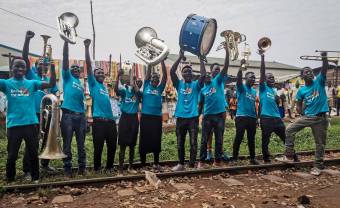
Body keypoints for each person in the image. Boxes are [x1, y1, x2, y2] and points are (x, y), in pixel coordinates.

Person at [1, 31, 56, 183]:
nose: (20, 68)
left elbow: (51, 84)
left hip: (31, 123)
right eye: (17, 66)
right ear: (12, 68)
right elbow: (24, 56)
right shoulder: (6, 83)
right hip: (14, 124)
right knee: (12, 154)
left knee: (32, 152)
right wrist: (26, 40)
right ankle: (10, 180)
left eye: (23, 67)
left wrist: (51, 67)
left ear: (26, 70)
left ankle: (35, 178)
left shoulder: (32, 83)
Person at [276, 52, 329, 176]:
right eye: (306, 71)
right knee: (289, 129)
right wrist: (301, 112)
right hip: (307, 117)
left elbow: (325, 69)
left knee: (320, 143)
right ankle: (289, 155)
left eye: (310, 71)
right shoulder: (302, 90)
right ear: (302, 76)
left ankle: (318, 166)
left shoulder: (319, 82)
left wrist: (324, 58)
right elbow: (299, 104)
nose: (309, 72)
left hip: (321, 118)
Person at [22, 40, 59, 179]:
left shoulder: (49, 80)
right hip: (34, 113)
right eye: (40, 64)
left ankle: (44, 164)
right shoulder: (31, 75)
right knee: (33, 142)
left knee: (47, 140)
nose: (43, 67)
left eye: (45, 65)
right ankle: (27, 170)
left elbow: (54, 93)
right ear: (35, 66)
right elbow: (25, 58)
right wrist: (28, 40)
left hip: (47, 113)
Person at [258, 50, 298, 163]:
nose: (272, 79)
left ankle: (293, 156)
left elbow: (276, 104)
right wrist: (262, 58)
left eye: (273, 77)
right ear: (264, 80)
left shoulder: (274, 91)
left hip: (277, 119)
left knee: (285, 138)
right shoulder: (262, 88)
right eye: (269, 77)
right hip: (266, 119)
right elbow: (262, 72)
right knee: (265, 140)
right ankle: (266, 160)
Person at [84, 39, 117, 173]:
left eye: (102, 73)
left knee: (112, 146)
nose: (101, 74)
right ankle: (97, 168)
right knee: (98, 147)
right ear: (94, 75)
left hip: (110, 122)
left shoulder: (104, 87)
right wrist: (87, 48)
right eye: (98, 73)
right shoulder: (93, 84)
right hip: (99, 121)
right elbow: (89, 66)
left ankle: (109, 167)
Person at [170, 50, 206, 171]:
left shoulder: (196, 85)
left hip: (193, 118)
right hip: (180, 118)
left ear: (192, 74)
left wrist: (201, 59)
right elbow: (171, 71)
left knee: (193, 143)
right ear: (182, 74)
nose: (187, 73)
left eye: (189, 71)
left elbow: (203, 76)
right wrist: (180, 56)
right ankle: (181, 164)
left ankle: (191, 164)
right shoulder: (179, 84)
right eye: (185, 71)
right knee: (180, 142)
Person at [198, 47, 229, 168]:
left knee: (219, 139)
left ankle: (218, 161)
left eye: (218, 70)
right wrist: (198, 115)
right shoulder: (202, 89)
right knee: (204, 139)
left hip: (220, 115)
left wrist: (226, 52)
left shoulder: (217, 81)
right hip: (207, 117)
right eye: (215, 70)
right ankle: (201, 162)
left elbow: (226, 66)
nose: (208, 77)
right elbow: (201, 104)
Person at [61, 40, 86, 177]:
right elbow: (65, 60)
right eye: (73, 68)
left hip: (81, 116)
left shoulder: (81, 84)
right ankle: (67, 168)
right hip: (68, 116)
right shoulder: (67, 77)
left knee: (81, 144)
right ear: (69, 71)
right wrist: (66, 43)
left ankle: (82, 168)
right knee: (67, 144)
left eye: (78, 69)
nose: (76, 70)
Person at [139, 61, 167, 168]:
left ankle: (156, 163)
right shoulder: (146, 85)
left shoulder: (160, 88)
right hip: (145, 117)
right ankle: (143, 164)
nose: (155, 79)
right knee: (144, 139)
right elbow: (148, 70)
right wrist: (150, 61)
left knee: (156, 139)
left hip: (156, 118)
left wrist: (162, 60)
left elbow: (165, 75)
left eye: (157, 78)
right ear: (150, 79)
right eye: (153, 78)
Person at [232, 59, 259, 165]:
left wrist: (257, 118)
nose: (253, 79)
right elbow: (238, 79)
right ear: (245, 78)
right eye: (251, 77)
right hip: (241, 117)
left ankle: (252, 158)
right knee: (239, 137)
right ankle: (234, 158)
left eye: (254, 77)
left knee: (251, 139)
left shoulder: (253, 91)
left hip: (252, 118)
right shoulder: (241, 87)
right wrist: (241, 67)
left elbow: (254, 105)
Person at [115, 67, 142, 174]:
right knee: (122, 144)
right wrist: (118, 76)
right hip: (125, 118)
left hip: (134, 119)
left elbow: (139, 94)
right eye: (135, 81)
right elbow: (116, 89)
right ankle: (121, 168)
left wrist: (134, 83)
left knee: (132, 144)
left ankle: (130, 167)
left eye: (138, 82)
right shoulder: (124, 91)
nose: (137, 83)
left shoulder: (138, 94)